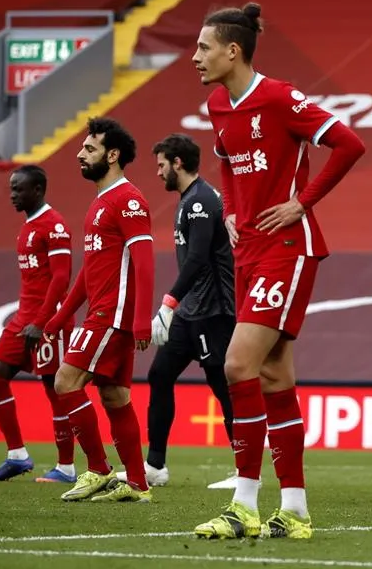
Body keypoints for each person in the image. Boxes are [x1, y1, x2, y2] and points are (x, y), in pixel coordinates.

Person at [189, 3, 366, 540]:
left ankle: (242, 505)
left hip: (289, 247)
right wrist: (231, 210)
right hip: (249, 251)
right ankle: (295, 511)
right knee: (272, 376)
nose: (195, 57)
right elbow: (224, 156)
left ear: (232, 50)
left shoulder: (281, 97)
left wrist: (302, 203)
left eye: (203, 47)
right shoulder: (219, 103)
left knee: (237, 364)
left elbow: (349, 144)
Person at [114, 134, 236, 488]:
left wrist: (168, 304)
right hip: (191, 310)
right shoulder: (189, 199)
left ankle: (245, 471)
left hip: (213, 309)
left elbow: (198, 258)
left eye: (161, 165)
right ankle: (155, 466)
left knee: (222, 386)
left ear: (177, 163)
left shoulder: (200, 202)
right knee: (160, 374)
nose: (158, 173)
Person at [43, 117, 155, 503]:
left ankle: (98, 469)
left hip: (112, 315)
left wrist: (142, 320)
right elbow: (90, 273)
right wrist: (60, 315)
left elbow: (144, 261)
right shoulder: (100, 203)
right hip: (105, 314)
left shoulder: (128, 200)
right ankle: (138, 484)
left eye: (89, 148)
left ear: (112, 155)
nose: (79, 153)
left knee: (65, 382)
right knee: (114, 396)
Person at [0, 165, 76, 483]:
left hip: (49, 319)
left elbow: (61, 277)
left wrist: (42, 322)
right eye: (11, 188)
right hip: (24, 318)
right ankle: (17, 456)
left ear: (37, 190)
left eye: (18, 189)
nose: (12, 194)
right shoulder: (26, 227)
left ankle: (66, 468)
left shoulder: (55, 225)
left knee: (56, 389)